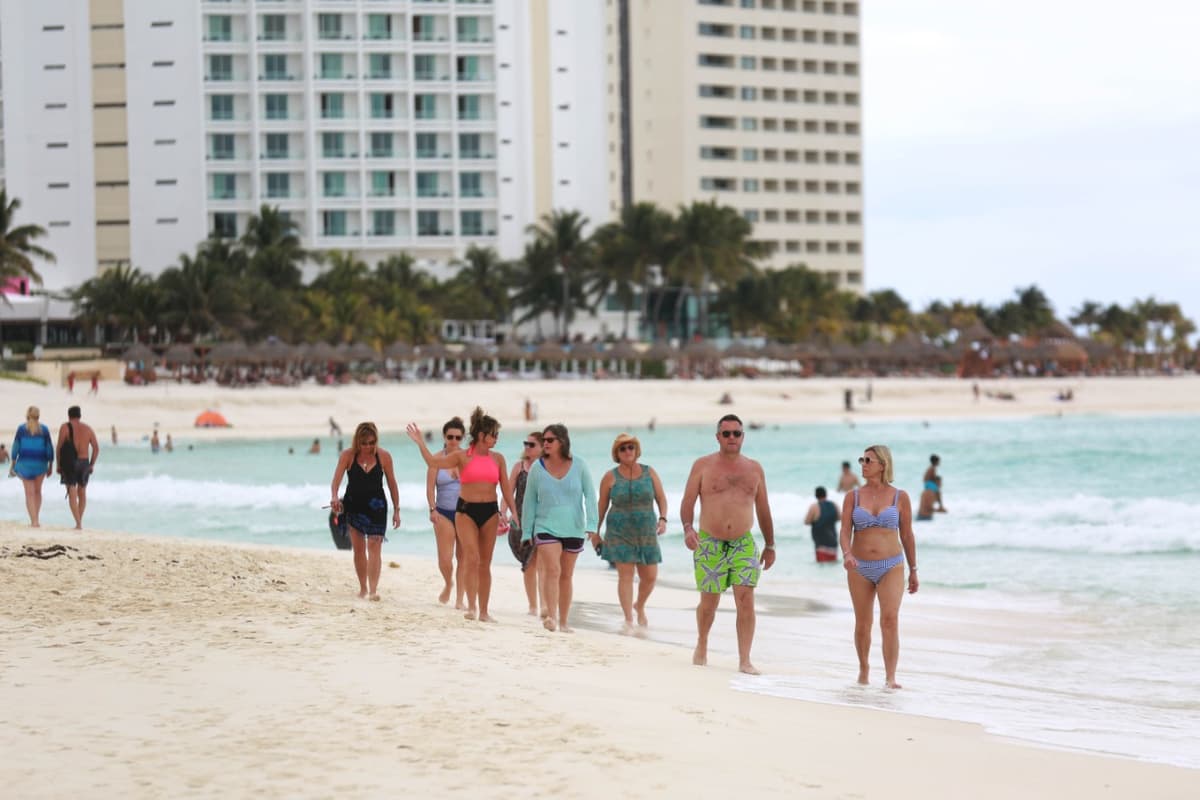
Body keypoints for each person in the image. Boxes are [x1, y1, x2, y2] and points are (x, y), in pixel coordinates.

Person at [680, 414, 776, 675]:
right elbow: (688, 502)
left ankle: (745, 659)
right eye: (726, 434)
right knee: (709, 603)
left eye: (737, 433)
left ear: (743, 436)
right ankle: (702, 642)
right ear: (718, 437)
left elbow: (764, 508)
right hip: (709, 541)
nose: (732, 438)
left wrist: (770, 544)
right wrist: (688, 529)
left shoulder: (755, 469)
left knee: (746, 600)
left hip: (743, 543)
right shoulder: (702, 466)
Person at [407, 407, 517, 622]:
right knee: (471, 559)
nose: (496, 438)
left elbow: (505, 488)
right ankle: (471, 607)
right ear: (482, 436)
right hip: (466, 511)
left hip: (490, 512)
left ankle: (484, 612)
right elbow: (432, 463)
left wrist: (513, 512)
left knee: (485, 563)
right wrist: (421, 442)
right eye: (493, 434)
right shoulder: (461, 456)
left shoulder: (498, 458)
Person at [839, 445, 919, 689]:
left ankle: (890, 677)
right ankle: (864, 670)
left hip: (891, 565)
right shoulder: (852, 497)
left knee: (890, 619)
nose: (863, 464)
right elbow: (844, 531)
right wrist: (847, 553)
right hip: (859, 566)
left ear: (883, 465)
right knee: (863, 623)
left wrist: (914, 569)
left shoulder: (900, 497)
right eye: (862, 459)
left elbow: (907, 535)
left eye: (869, 460)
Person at [521, 423, 597, 633]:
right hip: (545, 526)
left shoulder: (580, 465)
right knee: (553, 570)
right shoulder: (538, 467)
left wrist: (592, 524)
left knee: (566, 575)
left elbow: (590, 495)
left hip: (574, 527)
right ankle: (552, 617)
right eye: (543, 440)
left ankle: (564, 622)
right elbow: (529, 501)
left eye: (550, 440)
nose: (545, 444)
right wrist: (527, 531)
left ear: (562, 442)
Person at [595, 433, 669, 635]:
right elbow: (601, 507)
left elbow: (661, 498)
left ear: (637, 451)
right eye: (623, 448)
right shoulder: (610, 477)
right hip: (619, 531)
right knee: (625, 576)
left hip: (646, 530)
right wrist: (595, 532)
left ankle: (640, 605)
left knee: (650, 576)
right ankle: (628, 618)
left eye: (631, 447)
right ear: (617, 453)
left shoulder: (649, 472)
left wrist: (663, 519)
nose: (627, 451)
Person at [329, 422, 401, 600]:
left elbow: (392, 484)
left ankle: (373, 590)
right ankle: (363, 588)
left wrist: (397, 509)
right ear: (357, 441)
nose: (368, 446)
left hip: (377, 507)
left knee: (375, 548)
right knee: (359, 550)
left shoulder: (384, 456)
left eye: (371, 442)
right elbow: (336, 480)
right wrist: (334, 497)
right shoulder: (348, 456)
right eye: (364, 443)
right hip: (354, 506)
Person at [426, 416, 467, 608]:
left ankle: (460, 599)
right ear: (444, 436)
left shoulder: (468, 458)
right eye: (450, 437)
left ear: (463, 438)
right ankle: (448, 582)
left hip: (466, 512)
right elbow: (429, 487)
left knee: (464, 557)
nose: (454, 441)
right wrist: (432, 508)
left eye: (458, 438)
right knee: (445, 557)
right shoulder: (436, 459)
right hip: (443, 512)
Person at [506, 431, 543, 616]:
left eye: (532, 444)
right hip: (520, 522)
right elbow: (508, 492)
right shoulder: (518, 467)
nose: (527, 447)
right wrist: (503, 513)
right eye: (525, 444)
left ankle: (544, 604)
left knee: (540, 562)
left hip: (543, 521)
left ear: (542, 447)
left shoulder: (547, 468)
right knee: (528, 564)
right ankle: (533, 605)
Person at [10, 406, 54, 527]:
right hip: (40, 463)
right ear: (38, 416)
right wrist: (51, 465)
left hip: (25, 464)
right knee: (38, 491)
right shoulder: (44, 429)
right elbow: (49, 448)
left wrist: (13, 462)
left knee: (29, 493)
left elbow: (16, 446)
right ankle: (36, 519)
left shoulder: (21, 429)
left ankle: (34, 521)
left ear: (27, 415)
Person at [57, 405, 100, 530]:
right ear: (80, 415)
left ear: (69, 415)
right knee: (82, 492)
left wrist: (59, 465)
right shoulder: (88, 429)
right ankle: (79, 521)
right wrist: (92, 464)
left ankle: (78, 523)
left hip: (71, 462)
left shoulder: (65, 427)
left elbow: (59, 448)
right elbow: (96, 448)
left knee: (72, 491)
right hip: (84, 462)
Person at [804, 487, 840, 562]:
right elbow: (840, 517)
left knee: (821, 567)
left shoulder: (814, 507)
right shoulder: (834, 505)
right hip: (833, 543)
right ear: (826, 494)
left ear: (816, 495)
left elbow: (806, 521)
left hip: (821, 544)